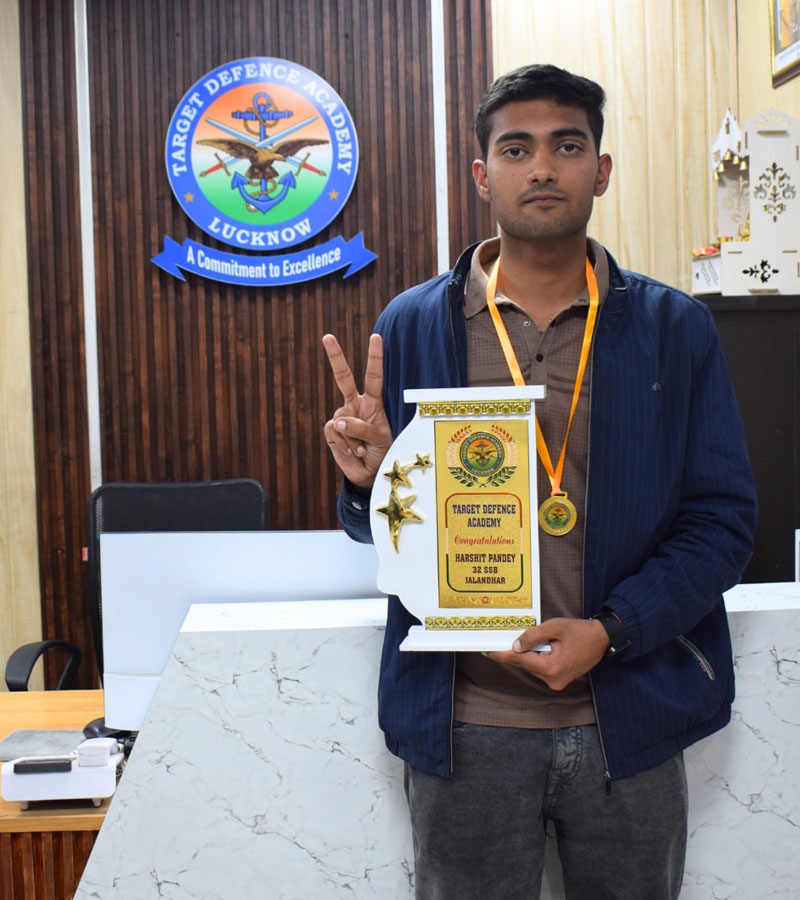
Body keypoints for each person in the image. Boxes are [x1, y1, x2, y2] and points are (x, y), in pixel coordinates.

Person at [322, 64, 756, 900]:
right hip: (465, 721)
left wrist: (612, 631)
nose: (544, 167)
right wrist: (373, 483)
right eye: (517, 149)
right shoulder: (414, 325)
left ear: (602, 169)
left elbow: (721, 522)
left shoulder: (675, 329)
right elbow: (380, 529)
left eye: (568, 146)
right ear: (483, 174)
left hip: (629, 708)